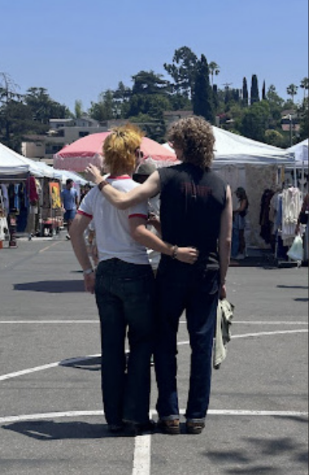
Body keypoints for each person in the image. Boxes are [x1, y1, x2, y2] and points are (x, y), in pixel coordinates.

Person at [86, 116, 232, 436]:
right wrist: (221, 279)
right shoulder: (222, 186)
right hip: (206, 270)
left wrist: (99, 180)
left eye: (175, 142)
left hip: (172, 270)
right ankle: (196, 414)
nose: (171, 147)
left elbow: (123, 200)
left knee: (165, 342)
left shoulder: (163, 177)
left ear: (183, 145)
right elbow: (226, 240)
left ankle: (169, 412)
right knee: (202, 343)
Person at [69, 124, 199, 436]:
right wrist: (172, 250)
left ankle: (114, 417)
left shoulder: (94, 193)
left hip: (106, 273)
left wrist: (87, 269)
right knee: (142, 344)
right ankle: (136, 415)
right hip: (134, 271)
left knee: (111, 347)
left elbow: (75, 230)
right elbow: (138, 232)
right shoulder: (134, 191)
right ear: (133, 156)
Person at [233, 187, 249, 260]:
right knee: (238, 235)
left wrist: (234, 211)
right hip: (238, 218)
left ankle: (241, 252)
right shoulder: (241, 200)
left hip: (240, 218)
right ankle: (240, 251)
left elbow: (241, 209)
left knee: (240, 235)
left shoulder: (244, 200)